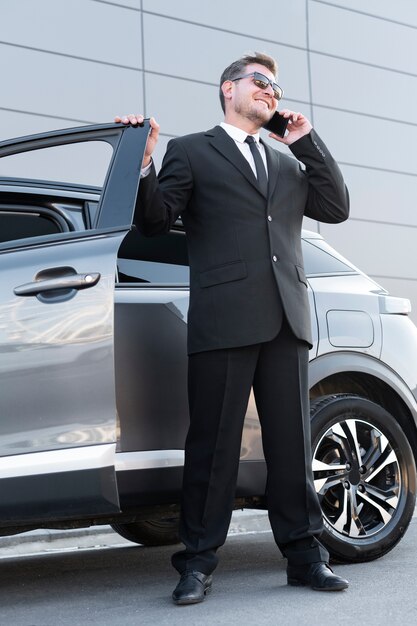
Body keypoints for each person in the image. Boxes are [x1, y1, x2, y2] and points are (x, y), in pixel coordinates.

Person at [116, 51, 350, 605]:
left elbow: (336, 207)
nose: (271, 92)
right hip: (224, 318)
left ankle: (304, 556)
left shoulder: (288, 161)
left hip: (286, 318)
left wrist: (306, 140)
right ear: (228, 89)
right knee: (213, 446)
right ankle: (196, 563)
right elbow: (154, 220)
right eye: (261, 82)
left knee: (292, 446)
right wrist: (142, 163)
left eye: (278, 87)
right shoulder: (192, 151)